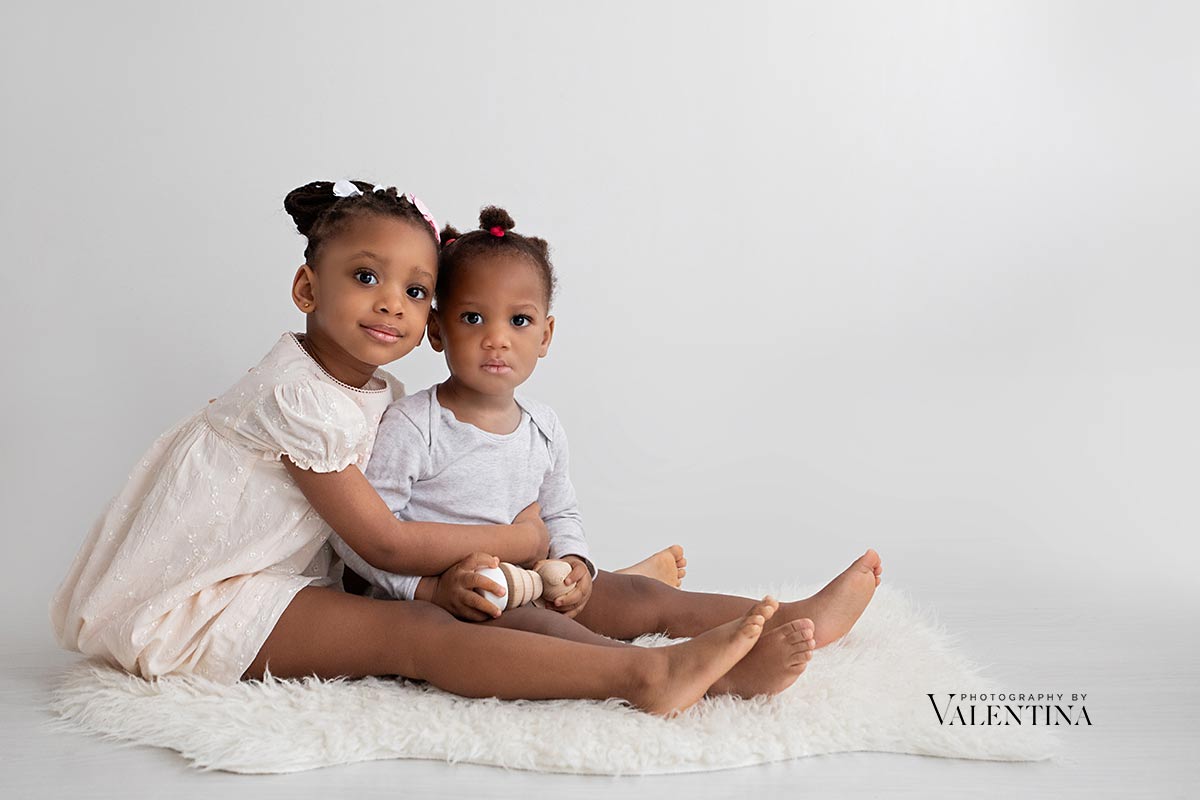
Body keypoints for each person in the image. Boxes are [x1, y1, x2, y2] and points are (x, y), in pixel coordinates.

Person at [49, 179, 782, 716]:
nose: (392, 303)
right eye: (365, 277)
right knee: (416, 633)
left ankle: (765, 621)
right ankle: (644, 678)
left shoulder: (371, 394)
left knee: (465, 607)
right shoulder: (295, 396)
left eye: (416, 289)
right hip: (199, 604)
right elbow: (389, 544)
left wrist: (527, 561)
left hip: (277, 581)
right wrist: (520, 538)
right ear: (307, 286)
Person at [333, 205, 885, 698]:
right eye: (473, 318)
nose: (496, 338)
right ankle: (697, 676)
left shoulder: (542, 427)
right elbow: (367, 540)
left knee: (642, 597)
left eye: (519, 320)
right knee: (553, 632)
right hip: (460, 599)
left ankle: (788, 616)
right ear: (437, 330)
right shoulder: (415, 424)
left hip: (532, 575)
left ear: (545, 335)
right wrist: (424, 590)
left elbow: (560, 512)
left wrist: (576, 565)